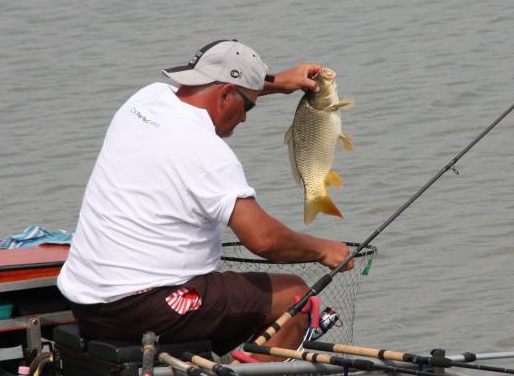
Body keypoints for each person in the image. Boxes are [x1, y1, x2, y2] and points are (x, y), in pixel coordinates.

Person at [57, 39, 352, 357]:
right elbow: (263, 239)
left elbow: (220, 87)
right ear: (226, 94)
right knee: (297, 298)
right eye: (248, 106)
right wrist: (323, 250)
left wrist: (279, 83)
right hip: (144, 308)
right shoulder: (204, 149)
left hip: (87, 302)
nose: (244, 119)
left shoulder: (144, 101)